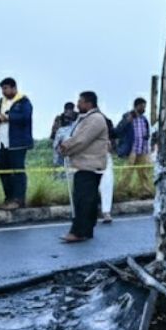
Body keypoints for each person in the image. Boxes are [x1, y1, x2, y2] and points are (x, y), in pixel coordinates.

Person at [57, 91, 109, 243]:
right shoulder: (89, 118)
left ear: (88, 103)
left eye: (80, 102)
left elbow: (81, 140)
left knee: (83, 200)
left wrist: (66, 148)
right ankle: (86, 230)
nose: (78, 105)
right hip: (87, 165)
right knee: (88, 199)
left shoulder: (95, 119)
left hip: (89, 165)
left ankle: (78, 231)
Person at [0, 77, 33, 210]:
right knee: (3, 170)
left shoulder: (23, 101)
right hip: (2, 142)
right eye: (2, 89)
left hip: (17, 142)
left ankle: (19, 199)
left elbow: (25, 117)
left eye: (6, 88)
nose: (4, 91)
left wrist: (8, 118)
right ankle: (8, 198)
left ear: (14, 88)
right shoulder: (1, 101)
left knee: (18, 171)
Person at [114, 97, 152, 195]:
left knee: (144, 171)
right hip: (131, 149)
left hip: (142, 148)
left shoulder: (144, 119)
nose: (144, 109)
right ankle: (121, 191)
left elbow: (147, 131)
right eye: (142, 107)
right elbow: (118, 130)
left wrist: (147, 136)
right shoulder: (127, 116)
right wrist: (127, 120)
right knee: (127, 171)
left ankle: (145, 191)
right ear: (136, 106)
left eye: (145, 107)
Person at [50, 101, 78, 168]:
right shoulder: (59, 119)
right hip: (61, 143)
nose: (68, 112)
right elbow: (54, 134)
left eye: (70, 110)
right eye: (67, 110)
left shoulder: (77, 117)